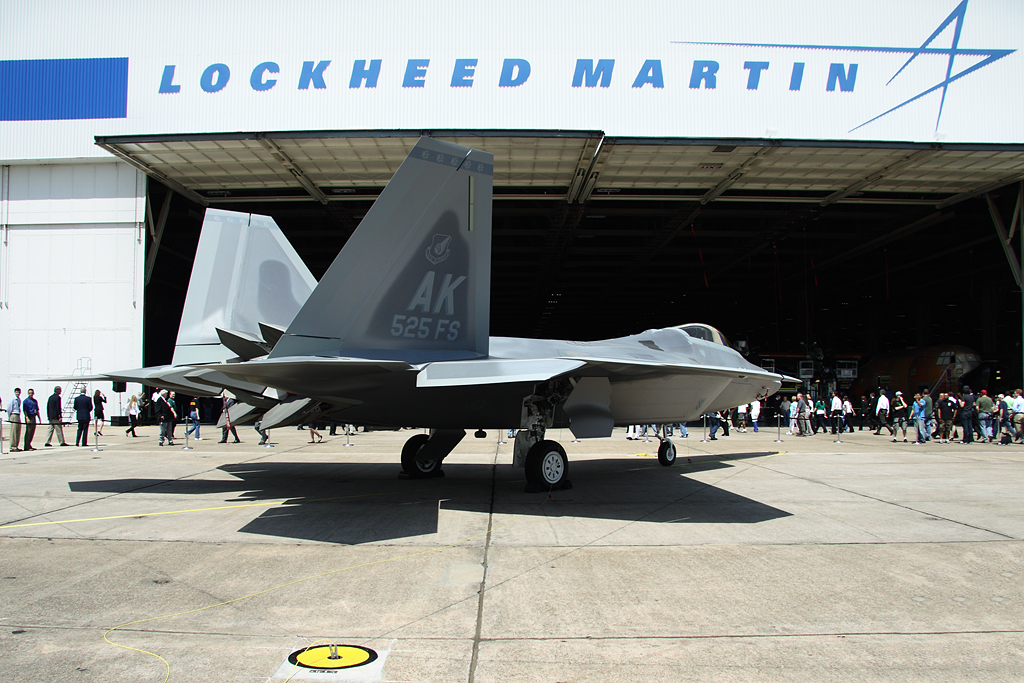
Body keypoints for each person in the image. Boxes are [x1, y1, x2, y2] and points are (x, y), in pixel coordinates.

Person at [8, 387, 22, 452]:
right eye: (17, 392)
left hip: (18, 415)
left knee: (17, 431)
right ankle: (12, 446)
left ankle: (16, 445)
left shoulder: (19, 400)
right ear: (14, 392)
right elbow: (9, 408)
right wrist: (9, 416)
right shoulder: (12, 399)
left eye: (19, 392)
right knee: (13, 431)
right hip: (14, 414)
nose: (18, 393)